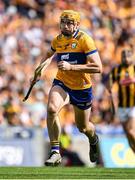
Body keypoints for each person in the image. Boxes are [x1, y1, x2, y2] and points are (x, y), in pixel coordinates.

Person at [33, 10, 102, 166]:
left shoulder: (85, 40)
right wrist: (39, 71)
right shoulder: (58, 40)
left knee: (83, 127)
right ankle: (55, 151)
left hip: (82, 88)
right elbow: (48, 56)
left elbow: (98, 67)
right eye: (62, 22)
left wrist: (71, 67)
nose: (64, 25)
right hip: (62, 83)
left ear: (77, 24)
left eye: (69, 23)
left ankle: (93, 139)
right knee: (51, 109)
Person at [107, 48, 135, 152]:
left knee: (131, 131)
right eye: (124, 57)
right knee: (128, 135)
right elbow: (109, 86)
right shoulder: (116, 71)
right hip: (122, 106)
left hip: (133, 105)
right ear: (121, 58)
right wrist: (110, 88)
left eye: (128, 56)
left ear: (132, 57)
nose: (126, 59)